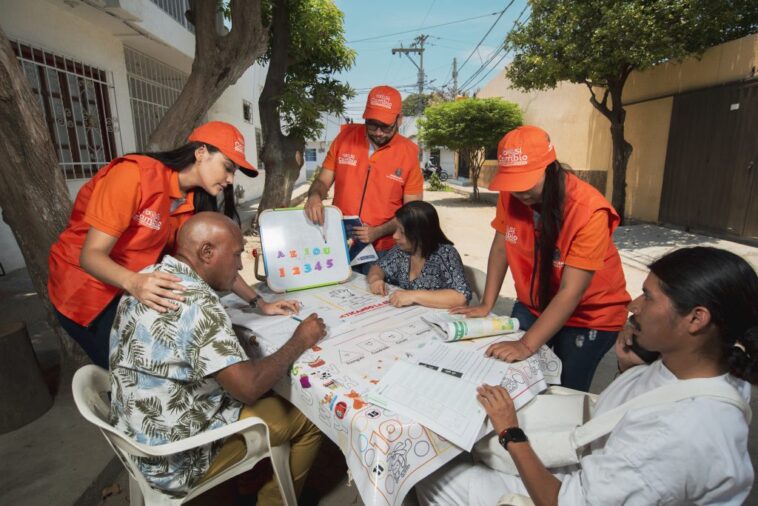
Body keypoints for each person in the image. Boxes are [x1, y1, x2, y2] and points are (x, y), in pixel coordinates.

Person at [418, 246, 757, 505]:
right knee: (475, 440)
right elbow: (645, 408)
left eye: (649, 298)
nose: (633, 306)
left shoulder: (678, 435)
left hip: (571, 493)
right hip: (599, 469)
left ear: (696, 320)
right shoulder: (711, 365)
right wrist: (630, 368)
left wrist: (510, 432)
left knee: (434, 474)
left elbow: (563, 500)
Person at [109, 212, 325, 504]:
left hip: (135, 437)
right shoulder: (198, 305)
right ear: (207, 252)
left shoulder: (148, 276)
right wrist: (301, 339)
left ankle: (251, 476)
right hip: (175, 460)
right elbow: (248, 388)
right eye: (236, 255)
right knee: (311, 418)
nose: (239, 265)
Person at [48, 121, 298, 368]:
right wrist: (135, 282)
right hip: (85, 291)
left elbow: (218, 263)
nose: (230, 179)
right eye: (227, 167)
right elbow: (90, 256)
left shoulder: (191, 204)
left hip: (132, 289)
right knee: (128, 373)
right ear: (201, 153)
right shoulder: (134, 175)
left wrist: (260, 304)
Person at [452, 125, 630, 391]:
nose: (519, 192)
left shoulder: (589, 210)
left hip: (589, 316)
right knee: (511, 375)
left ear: (549, 167)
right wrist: (486, 303)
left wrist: (525, 345)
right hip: (535, 304)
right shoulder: (511, 196)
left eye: (526, 182)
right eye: (512, 184)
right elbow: (501, 246)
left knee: (564, 388)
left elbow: (571, 291)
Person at [304, 85, 424, 273]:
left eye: (385, 126)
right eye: (372, 123)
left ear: (399, 120)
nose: (378, 132)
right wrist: (314, 196)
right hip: (340, 242)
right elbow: (322, 181)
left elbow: (413, 211)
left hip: (384, 251)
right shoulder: (345, 138)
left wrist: (378, 231)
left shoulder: (409, 153)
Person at [367, 201, 471, 309]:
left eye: (402, 232)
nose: (395, 236)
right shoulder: (402, 250)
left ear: (420, 234)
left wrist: (413, 296)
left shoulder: (446, 253)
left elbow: (461, 297)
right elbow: (378, 267)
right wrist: (376, 280)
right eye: (396, 229)